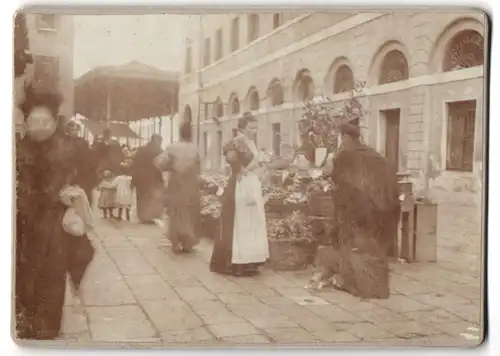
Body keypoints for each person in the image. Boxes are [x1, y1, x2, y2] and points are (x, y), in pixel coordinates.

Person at [15, 86, 95, 340]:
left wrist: (72, 192)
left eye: (44, 122)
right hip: (23, 223)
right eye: (33, 121)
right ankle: (24, 320)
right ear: (26, 122)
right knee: (23, 274)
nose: (38, 127)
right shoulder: (18, 148)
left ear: (54, 121)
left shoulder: (69, 148)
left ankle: (46, 325)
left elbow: (86, 177)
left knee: (51, 272)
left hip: (53, 224)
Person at [316, 121, 400, 299]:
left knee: (354, 245)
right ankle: (378, 286)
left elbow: (342, 181)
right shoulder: (371, 152)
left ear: (343, 137)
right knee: (374, 248)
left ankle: (356, 284)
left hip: (362, 207)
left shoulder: (345, 154)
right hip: (385, 206)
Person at [210, 112, 269, 276]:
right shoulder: (239, 140)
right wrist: (242, 169)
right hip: (241, 184)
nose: (254, 130)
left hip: (251, 182)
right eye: (251, 127)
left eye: (256, 127)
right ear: (243, 127)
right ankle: (238, 263)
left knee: (251, 223)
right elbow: (230, 157)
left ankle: (250, 261)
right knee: (241, 223)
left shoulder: (250, 142)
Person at [154, 122, 201, 253]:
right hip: (191, 182)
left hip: (176, 182)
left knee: (175, 211)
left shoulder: (173, 147)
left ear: (180, 133)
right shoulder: (195, 149)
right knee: (190, 210)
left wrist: (171, 167)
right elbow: (198, 167)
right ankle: (188, 242)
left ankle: (176, 241)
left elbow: (159, 162)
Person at [131, 134, 165, 223]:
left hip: (140, 178)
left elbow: (135, 164)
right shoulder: (157, 150)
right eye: (160, 142)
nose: (160, 143)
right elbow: (162, 164)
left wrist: (133, 178)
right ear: (156, 141)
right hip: (151, 178)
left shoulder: (141, 150)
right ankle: (148, 217)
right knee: (150, 197)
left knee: (141, 197)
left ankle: (142, 217)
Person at [66, 120, 98, 205]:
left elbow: (85, 156)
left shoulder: (82, 142)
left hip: (81, 169)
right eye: (73, 130)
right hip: (68, 168)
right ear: (68, 131)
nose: (75, 132)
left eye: (76, 130)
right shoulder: (65, 141)